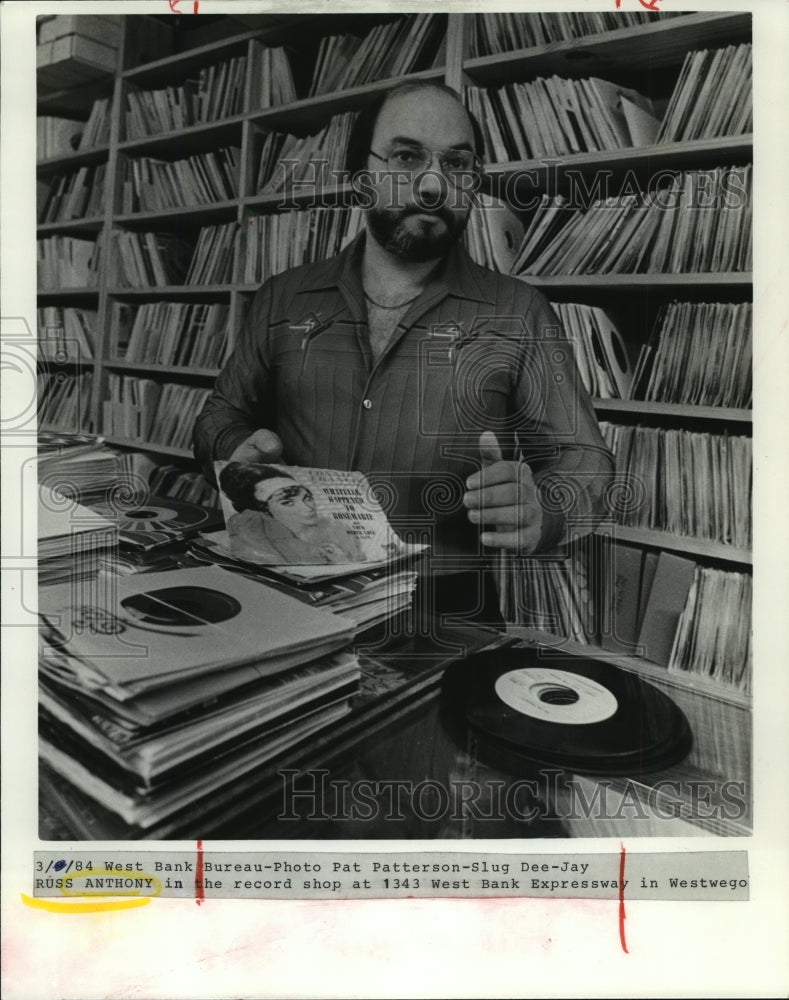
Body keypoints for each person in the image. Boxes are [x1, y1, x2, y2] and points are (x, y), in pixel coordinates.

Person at [195, 80, 614, 627]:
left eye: (458, 164)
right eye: (407, 156)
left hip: (443, 609)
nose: (435, 185)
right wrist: (237, 451)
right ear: (358, 175)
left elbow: (586, 458)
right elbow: (219, 415)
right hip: (285, 586)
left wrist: (546, 507)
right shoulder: (282, 297)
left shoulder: (519, 311)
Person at [218, 462, 363, 564]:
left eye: (307, 498)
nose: (308, 507)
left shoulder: (335, 529)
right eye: (288, 502)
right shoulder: (253, 534)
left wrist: (342, 560)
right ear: (264, 510)